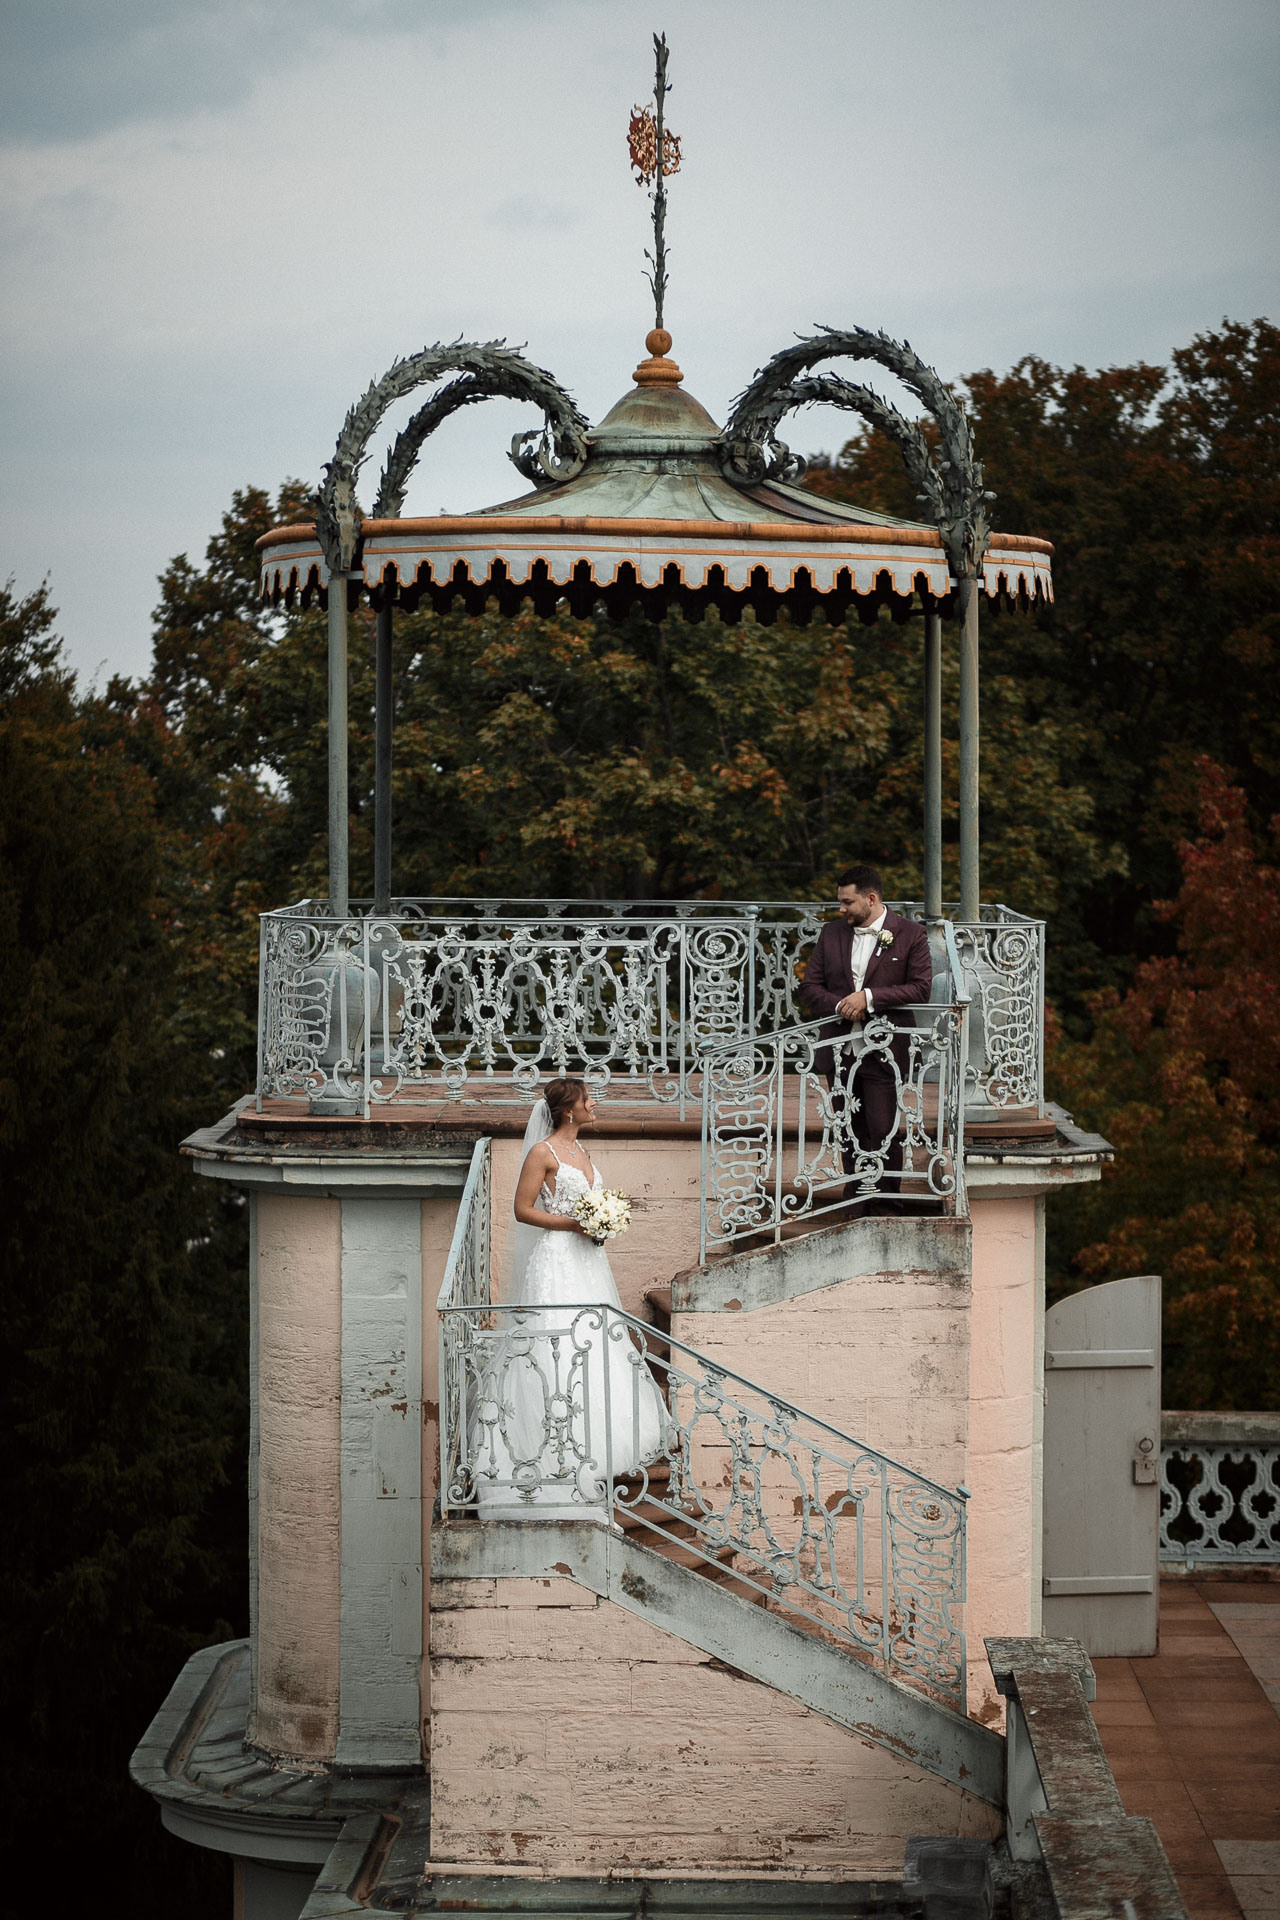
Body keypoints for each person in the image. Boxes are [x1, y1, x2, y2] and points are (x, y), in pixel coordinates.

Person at [475, 1077, 666, 1517]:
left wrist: (603, 1221)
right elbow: (522, 1210)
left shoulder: (583, 1152)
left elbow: (589, 1203)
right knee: (552, 1346)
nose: (593, 1104)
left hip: (587, 1261)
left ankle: (599, 1443)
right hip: (556, 1260)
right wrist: (574, 1225)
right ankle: (548, 1452)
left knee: (598, 1344)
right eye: (587, 1099)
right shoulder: (543, 1152)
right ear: (567, 1110)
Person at [799, 866, 934, 1213]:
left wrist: (870, 998)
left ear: (871, 899)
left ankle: (886, 1202)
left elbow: (920, 987)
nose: (841, 909)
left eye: (847, 902)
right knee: (847, 1126)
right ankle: (855, 1200)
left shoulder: (910, 934)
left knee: (883, 1125)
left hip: (885, 1047)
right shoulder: (831, 935)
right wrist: (844, 1006)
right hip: (841, 1047)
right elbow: (810, 988)